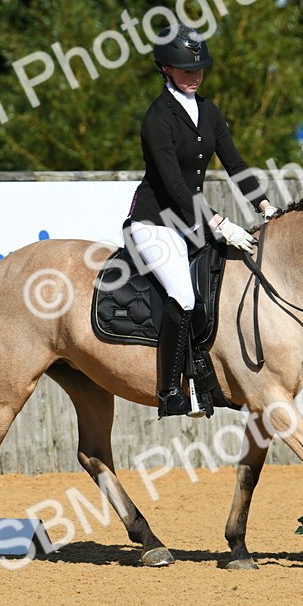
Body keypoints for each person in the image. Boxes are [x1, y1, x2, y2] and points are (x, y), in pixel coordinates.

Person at [126, 24, 278, 418]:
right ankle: (170, 393)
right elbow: (174, 185)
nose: (195, 76)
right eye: (185, 69)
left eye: (199, 69)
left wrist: (264, 206)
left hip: (190, 221)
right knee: (183, 293)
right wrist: (219, 222)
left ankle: (213, 380)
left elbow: (235, 163)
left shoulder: (209, 111)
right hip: (154, 223)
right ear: (164, 68)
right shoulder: (157, 117)